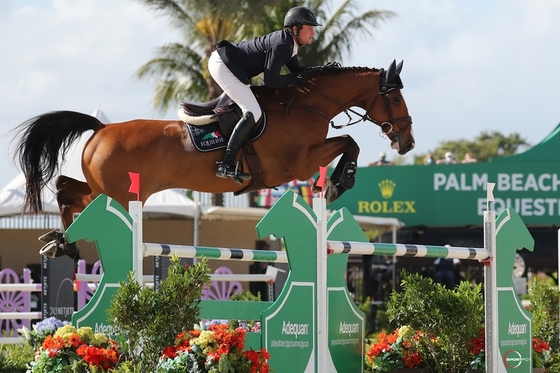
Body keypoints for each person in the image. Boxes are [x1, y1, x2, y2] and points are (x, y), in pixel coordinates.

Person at [208, 6, 321, 183]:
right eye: (310, 27)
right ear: (295, 29)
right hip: (223, 65)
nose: (313, 32)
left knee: (254, 109)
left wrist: (321, 72)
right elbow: (271, 81)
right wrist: (295, 78)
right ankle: (226, 163)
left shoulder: (290, 44)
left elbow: (297, 72)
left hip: (228, 63)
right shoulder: (283, 44)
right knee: (253, 111)